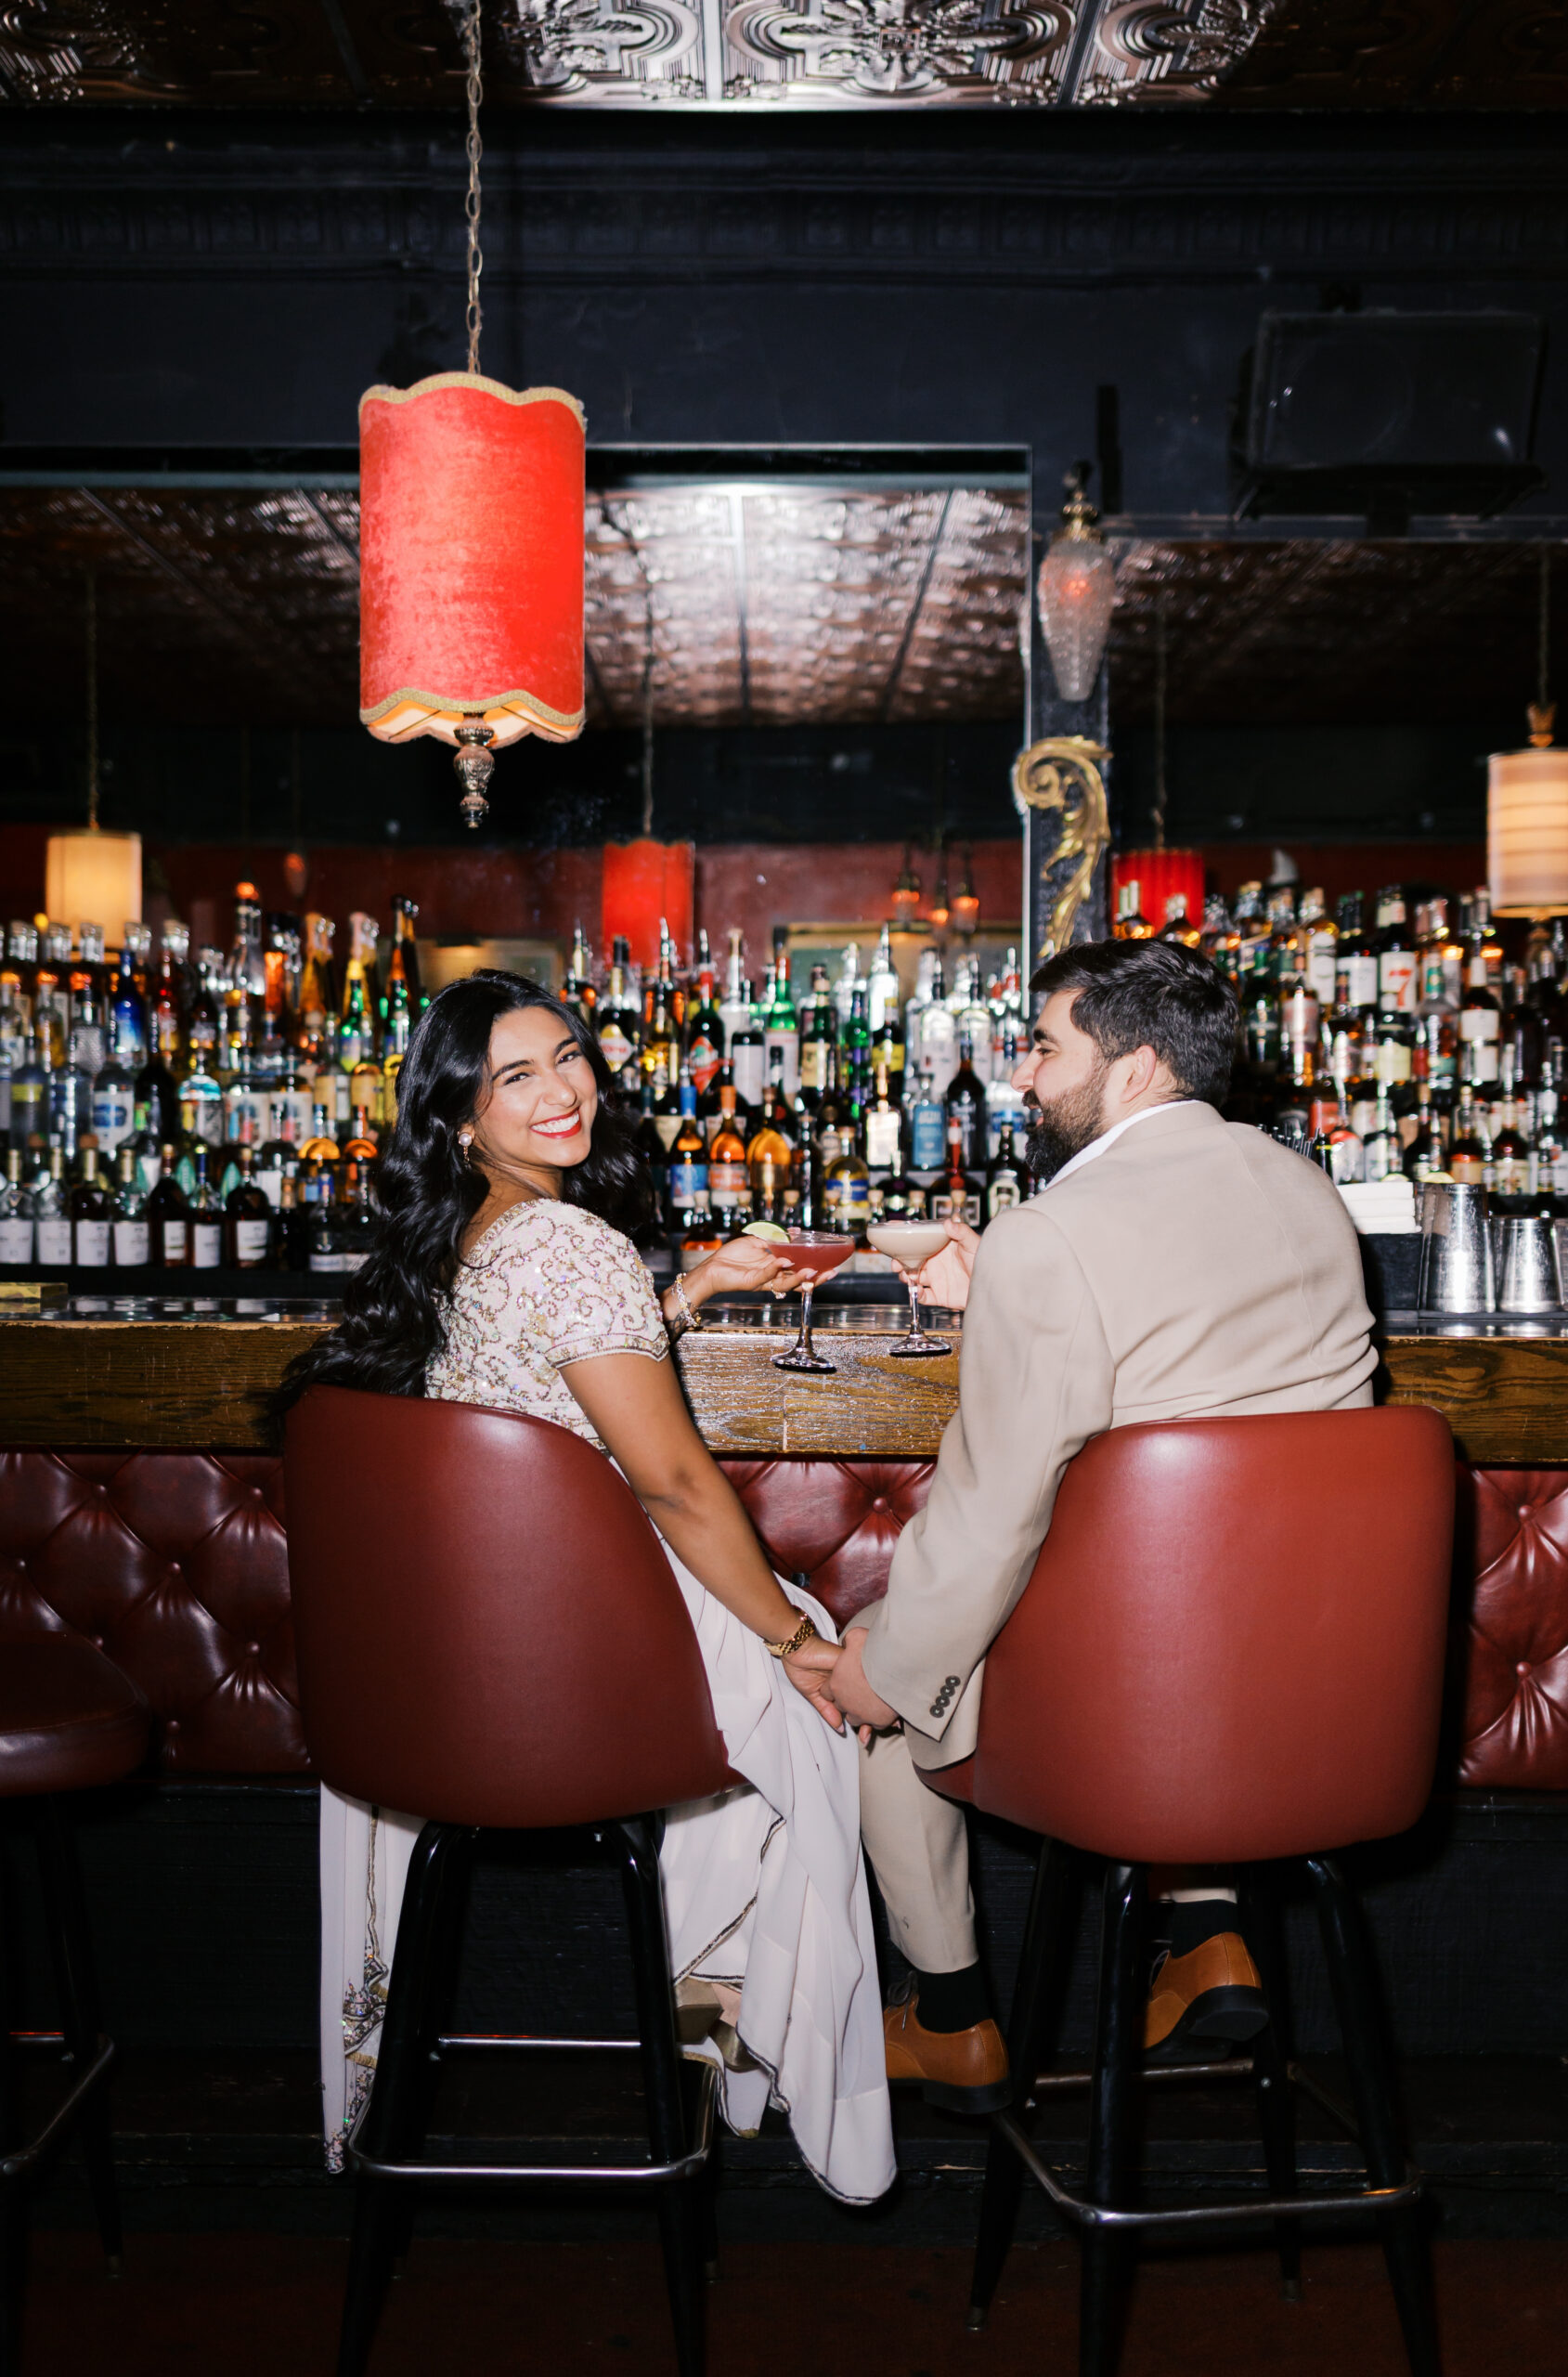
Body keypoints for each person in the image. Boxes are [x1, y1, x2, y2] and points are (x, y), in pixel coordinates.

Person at [283, 970, 895, 2204]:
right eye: (516, 1076)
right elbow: (671, 1481)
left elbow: (540, 1372)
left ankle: (720, 1984)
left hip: (451, 1667)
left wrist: (689, 1290)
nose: (564, 1090)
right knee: (813, 1652)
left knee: (777, 1637)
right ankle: (732, 1995)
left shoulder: (467, 1233)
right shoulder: (569, 1241)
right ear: (459, 1115)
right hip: (576, 1682)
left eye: (569, 1056)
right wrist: (793, 1640)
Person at [827, 936, 1378, 2104]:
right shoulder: (1305, 1191)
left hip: (1145, 1703)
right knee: (1162, 1612)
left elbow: (992, 1511)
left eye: (1041, 1049)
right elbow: (1190, 1354)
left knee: (882, 1660)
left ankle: (951, 2015)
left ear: (1134, 1069)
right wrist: (1010, 1287)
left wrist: (889, 1671)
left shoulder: (1057, 1230)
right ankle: (1207, 1933)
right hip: (1320, 1683)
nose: (1021, 1077)